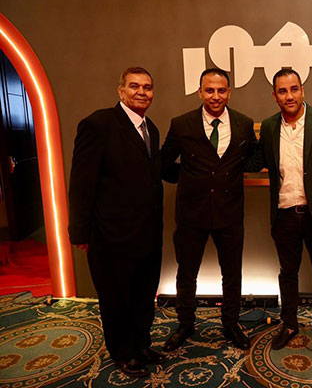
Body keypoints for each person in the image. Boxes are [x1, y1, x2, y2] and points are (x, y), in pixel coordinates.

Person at [68, 67, 164, 377]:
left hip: (147, 234)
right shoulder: (98, 124)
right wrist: (79, 232)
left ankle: (141, 344)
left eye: (147, 87)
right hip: (111, 235)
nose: (141, 92)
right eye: (134, 86)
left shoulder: (151, 129)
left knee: (143, 295)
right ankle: (123, 352)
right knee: (116, 299)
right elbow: (81, 183)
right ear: (120, 91)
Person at [245, 68, 312, 350]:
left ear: (302, 90)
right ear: (275, 96)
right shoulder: (269, 127)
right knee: (287, 273)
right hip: (284, 214)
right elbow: (255, 162)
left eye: (294, 89)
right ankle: (289, 324)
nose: (289, 96)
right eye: (282, 91)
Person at [161, 68, 257, 351]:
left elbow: (254, 157)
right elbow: (163, 164)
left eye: (221, 90)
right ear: (200, 92)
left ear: (229, 92)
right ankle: (185, 323)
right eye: (210, 90)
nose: (216, 96)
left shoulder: (243, 123)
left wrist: (234, 172)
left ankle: (231, 324)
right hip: (192, 214)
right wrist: (189, 179)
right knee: (186, 273)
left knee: (233, 274)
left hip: (230, 213)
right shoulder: (181, 124)